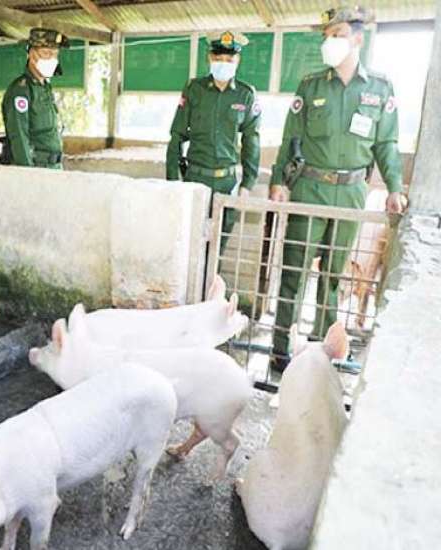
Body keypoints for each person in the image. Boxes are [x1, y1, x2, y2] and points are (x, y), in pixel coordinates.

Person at [269, 6, 404, 371]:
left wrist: (395, 187)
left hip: (351, 193)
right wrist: (278, 181)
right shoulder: (311, 85)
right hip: (310, 188)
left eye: (338, 34)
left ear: (358, 39)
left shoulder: (379, 89)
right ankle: (281, 349)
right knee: (294, 271)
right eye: (326, 35)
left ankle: (323, 351)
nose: (330, 41)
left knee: (333, 275)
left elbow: (386, 144)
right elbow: (291, 138)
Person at [166, 31, 261, 251]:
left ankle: (212, 275)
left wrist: (247, 184)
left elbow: (251, 140)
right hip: (195, 179)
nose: (223, 63)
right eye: (218, 58)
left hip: (227, 184)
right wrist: (172, 181)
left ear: (238, 61)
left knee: (217, 249)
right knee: (189, 246)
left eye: (229, 59)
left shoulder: (246, 95)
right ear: (210, 58)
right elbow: (177, 135)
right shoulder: (194, 89)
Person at [0, 28, 68, 169]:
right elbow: (19, 137)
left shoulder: (45, 87)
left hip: (53, 167)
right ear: (31, 54)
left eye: (55, 54)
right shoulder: (21, 90)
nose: (52, 59)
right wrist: (29, 175)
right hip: (37, 168)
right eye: (46, 53)